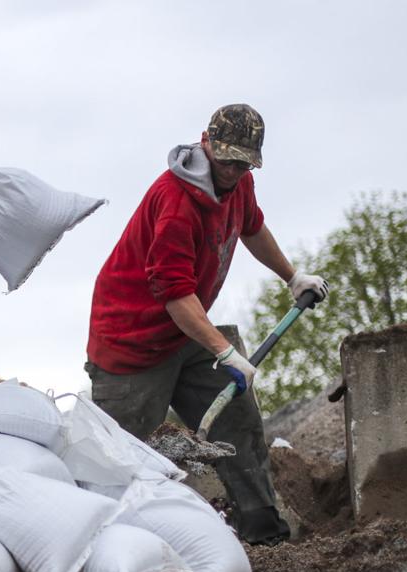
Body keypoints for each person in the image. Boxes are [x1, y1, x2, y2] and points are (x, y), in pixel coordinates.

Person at [85, 104, 329, 546]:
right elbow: (176, 297)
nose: (233, 171)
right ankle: (104, 545)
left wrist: (292, 277)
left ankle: (263, 533)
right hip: (131, 343)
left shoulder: (240, 183)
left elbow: (251, 228)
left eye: (243, 162)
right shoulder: (176, 204)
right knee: (118, 458)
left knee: (238, 421)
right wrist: (225, 351)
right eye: (227, 160)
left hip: (185, 331)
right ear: (206, 142)